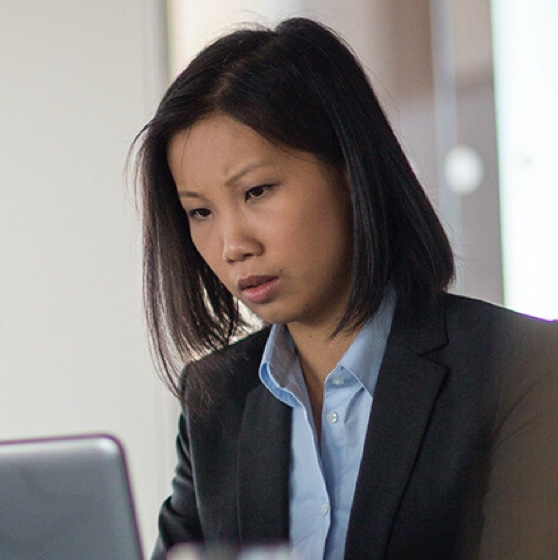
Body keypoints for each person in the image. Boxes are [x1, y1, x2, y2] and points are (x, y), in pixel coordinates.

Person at [133, 17, 558, 560]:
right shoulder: (215, 399)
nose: (231, 244)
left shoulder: (521, 369)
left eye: (257, 191)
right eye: (199, 211)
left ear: (352, 172)